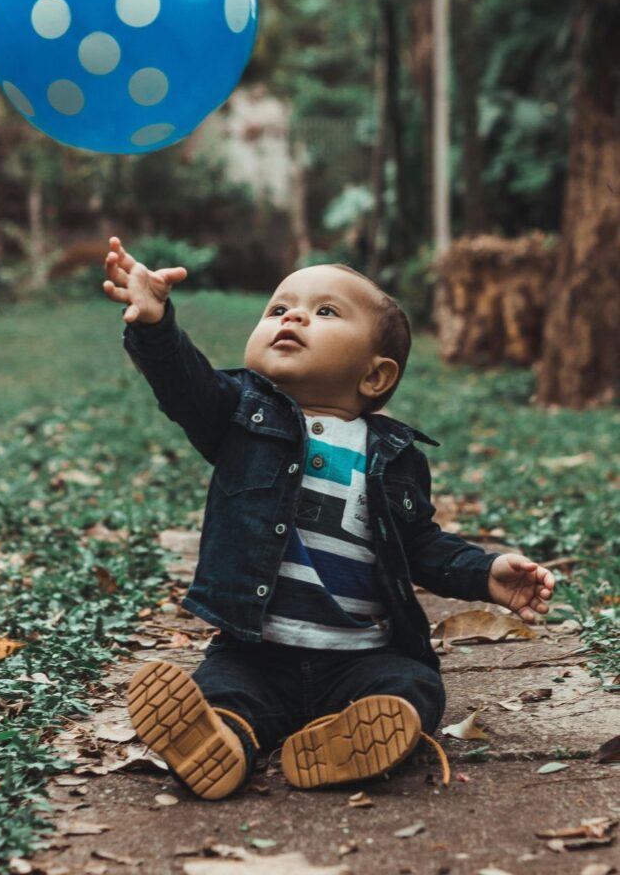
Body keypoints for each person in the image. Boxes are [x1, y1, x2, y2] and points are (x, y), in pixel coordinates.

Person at [102, 235, 555, 800]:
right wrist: (153, 323)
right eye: (277, 308)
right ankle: (220, 741)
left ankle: (343, 742)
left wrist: (484, 573)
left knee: (416, 688)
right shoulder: (239, 416)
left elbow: (421, 543)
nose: (292, 314)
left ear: (374, 377)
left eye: (325, 311)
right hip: (255, 651)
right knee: (222, 692)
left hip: (364, 656)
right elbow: (183, 382)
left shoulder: (393, 454)